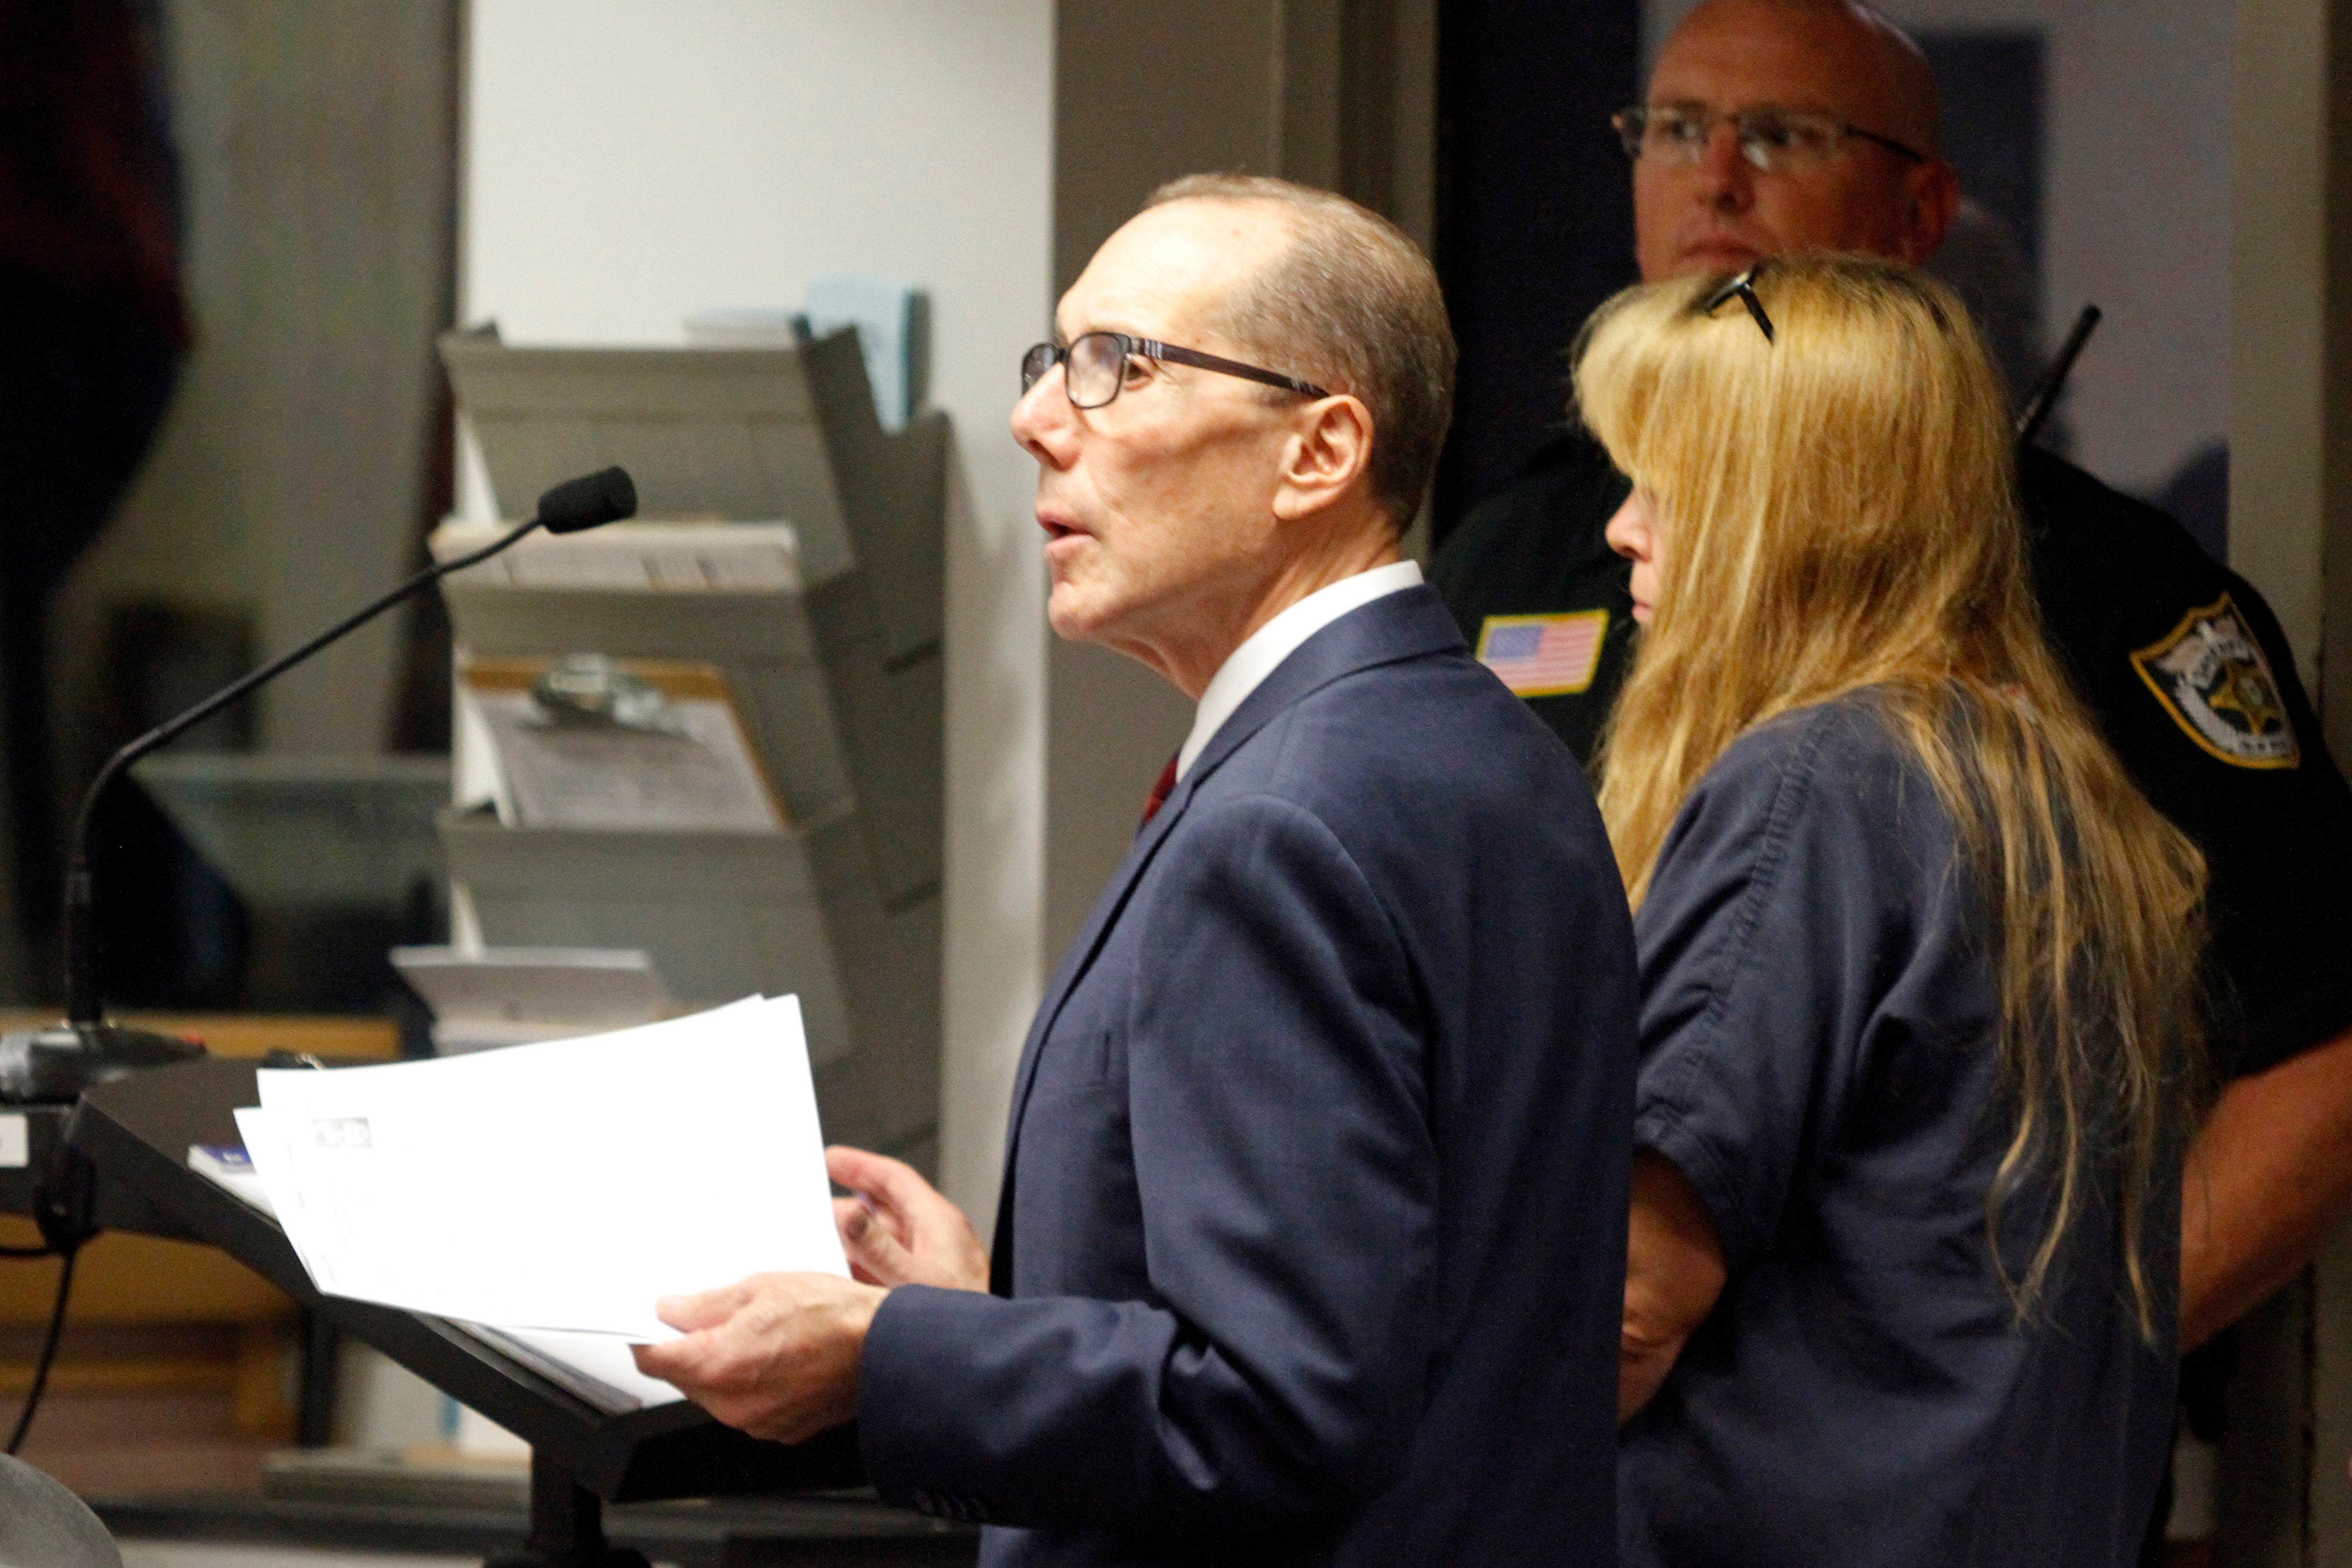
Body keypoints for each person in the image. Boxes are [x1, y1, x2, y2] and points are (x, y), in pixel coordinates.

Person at [635, 175, 1639, 1566]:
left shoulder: (1285, 819)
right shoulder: (1479, 748)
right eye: (1055, 359)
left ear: (1319, 450)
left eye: (1118, 366)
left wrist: (894, 1354)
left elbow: (1283, 1408)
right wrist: (989, 1308)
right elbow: (1398, 1319)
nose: (1037, 419)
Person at [1432, 0, 2352, 1363]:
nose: (1715, 174)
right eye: (1674, 128)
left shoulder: (2088, 584)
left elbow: (2316, 1039)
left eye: (1784, 136)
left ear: (1919, 211)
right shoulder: (1521, 541)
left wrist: (2045, 1370)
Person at [1589, 257, 2207, 1566]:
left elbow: (1626, 1303)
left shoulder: (1817, 785)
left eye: (1665, 485)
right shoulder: (2047, 788)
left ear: (1791, 513)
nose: (1620, 528)